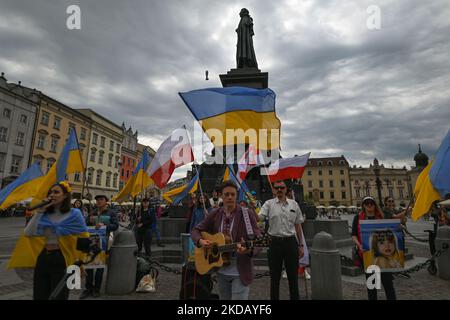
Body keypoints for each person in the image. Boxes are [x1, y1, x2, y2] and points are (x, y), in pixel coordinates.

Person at [17, 182, 88, 300]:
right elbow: (28, 233)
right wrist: (39, 212)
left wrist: (81, 262)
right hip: (44, 257)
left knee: (60, 295)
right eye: (50, 192)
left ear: (65, 196)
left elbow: (84, 237)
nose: (52, 195)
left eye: (56, 192)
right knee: (40, 294)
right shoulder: (44, 214)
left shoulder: (75, 214)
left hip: (63, 258)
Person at [191, 181, 261, 300]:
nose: (230, 197)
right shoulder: (215, 214)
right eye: (226, 194)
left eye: (233, 194)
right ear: (221, 196)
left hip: (240, 271)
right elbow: (195, 231)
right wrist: (201, 241)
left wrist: (248, 250)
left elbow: (258, 240)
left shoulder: (247, 213)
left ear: (236, 196)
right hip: (221, 270)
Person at [259, 180, 305, 300]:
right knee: (274, 278)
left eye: (282, 187)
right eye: (277, 187)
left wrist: (301, 245)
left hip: (290, 243)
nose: (279, 190)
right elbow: (260, 217)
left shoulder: (294, 204)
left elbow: (298, 225)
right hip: (274, 243)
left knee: (293, 278)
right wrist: (253, 210)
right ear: (273, 189)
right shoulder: (268, 204)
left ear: (286, 189)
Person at [352, 196, 397, 300]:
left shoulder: (382, 216)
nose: (369, 205)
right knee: (372, 286)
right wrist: (359, 245)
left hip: (384, 257)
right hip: (368, 256)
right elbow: (354, 234)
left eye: (371, 203)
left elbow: (392, 229)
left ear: (374, 204)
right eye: (366, 203)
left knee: (388, 285)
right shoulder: (358, 217)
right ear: (363, 205)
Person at [80, 195, 118, 299]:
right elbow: (85, 225)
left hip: (103, 243)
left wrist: (105, 226)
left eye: (101, 199)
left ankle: (96, 289)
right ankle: (88, 288)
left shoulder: (111, 213)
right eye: (97, 200)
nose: (99, 201)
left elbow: (116, 225)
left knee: (100, 267)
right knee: (89, 267)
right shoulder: (92, 212)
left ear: (106, 201)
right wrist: (89, 221)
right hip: (91, 242)